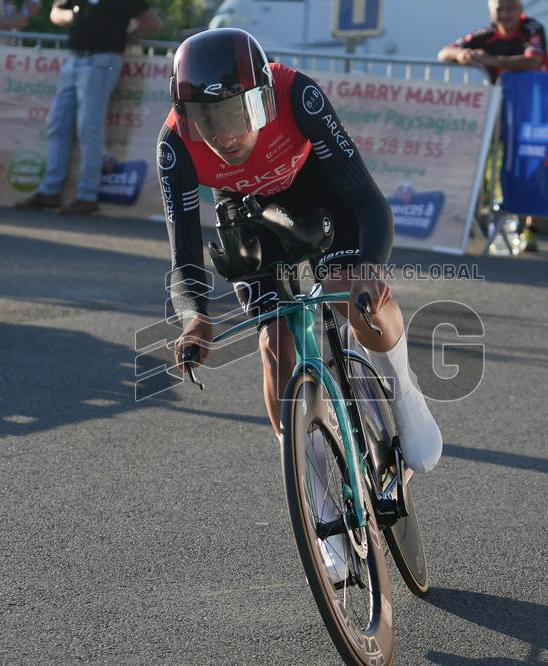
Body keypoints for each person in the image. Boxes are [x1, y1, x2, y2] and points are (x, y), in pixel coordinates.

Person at [158, 28, 443, 582]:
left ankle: (405, 393)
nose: (226, 135)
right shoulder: (175, 145)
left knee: (351, 299)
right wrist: (194, 319)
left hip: (321, 195)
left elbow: (367, 200)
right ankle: (320, 505)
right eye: (207, 119)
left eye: (238, 112)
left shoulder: (298, 94)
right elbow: (184, 260)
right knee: (275, 345)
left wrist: (365, 269)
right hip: (250, 217)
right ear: (186, 116)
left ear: (264, 96)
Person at [15, 0, 161, 215]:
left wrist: (122, 41)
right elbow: (56, 13)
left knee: (88, 126)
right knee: (57, 124)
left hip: (101, 60)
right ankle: (50, 190)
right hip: (75, 57)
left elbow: (152, 23)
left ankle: (87, 195)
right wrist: (73, 15)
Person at [438, 0, 548, 252]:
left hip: (534, 109)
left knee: (532, 165)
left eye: (511, 8)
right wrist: (462, 55)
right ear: (491, 12)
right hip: (498, 112)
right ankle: (479, 222)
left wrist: (489, 60)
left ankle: (531, 229)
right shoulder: (485, 34)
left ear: (520, 10)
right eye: (500, 9)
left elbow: (532, 61)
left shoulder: (532, 28)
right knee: (487, 164)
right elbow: (444, 52)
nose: (506, 14)